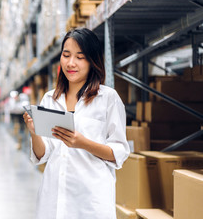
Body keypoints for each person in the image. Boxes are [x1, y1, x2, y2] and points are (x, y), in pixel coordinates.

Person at [23, 28, 130, 219]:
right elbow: (43, 154)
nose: (71, 63)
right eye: (66, 55)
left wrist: (83, 143)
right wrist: (34, 132)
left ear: (92, 61)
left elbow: (119, 153)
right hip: (54, 197)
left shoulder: (108, 98)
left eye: (80, 57)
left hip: (90, 200)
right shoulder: (50, 98)